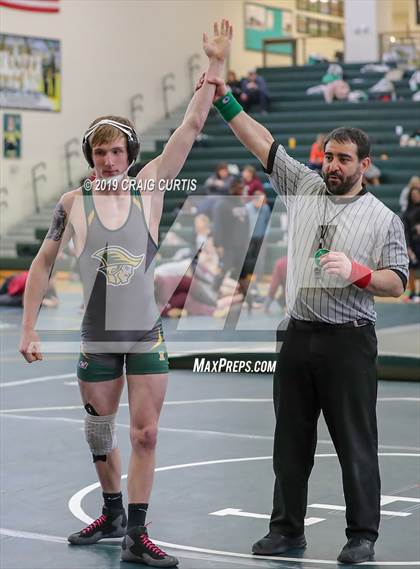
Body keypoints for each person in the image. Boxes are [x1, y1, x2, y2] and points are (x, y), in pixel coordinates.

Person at [18, 19, 232, 568]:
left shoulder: (150, 188)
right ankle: (112, 512)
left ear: (130, 154)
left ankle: (136, 532)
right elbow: (42, 264)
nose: (108, 161)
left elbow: (192, 124)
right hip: (96, 337)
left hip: (144, 335)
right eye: (99, 153)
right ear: (90, 157)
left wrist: (215, 63)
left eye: (116, 151)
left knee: (145, 434)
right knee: (98, 432)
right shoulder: (72, 204)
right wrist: (29, 327)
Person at [206, 77, 409, 564]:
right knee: (289, 443)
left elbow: (398, 282)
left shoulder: (383, 218)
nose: (332, 165)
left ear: (364, 164)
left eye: (343, 159)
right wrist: (224, 99)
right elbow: (261, 141)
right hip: (298, 335)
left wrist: (359, 273)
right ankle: (286, 530)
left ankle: (362, 536)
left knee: (355, 443)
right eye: (328, 156)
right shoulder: (303, 185)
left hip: (348, 342)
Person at [402, 184, 420, 301]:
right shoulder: (407, 212)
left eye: (417, 194)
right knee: (412, 269)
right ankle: (413, 293)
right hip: (412, 244)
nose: (415, 196)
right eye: (413, 195)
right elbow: (406, 231)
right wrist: (408, 247)